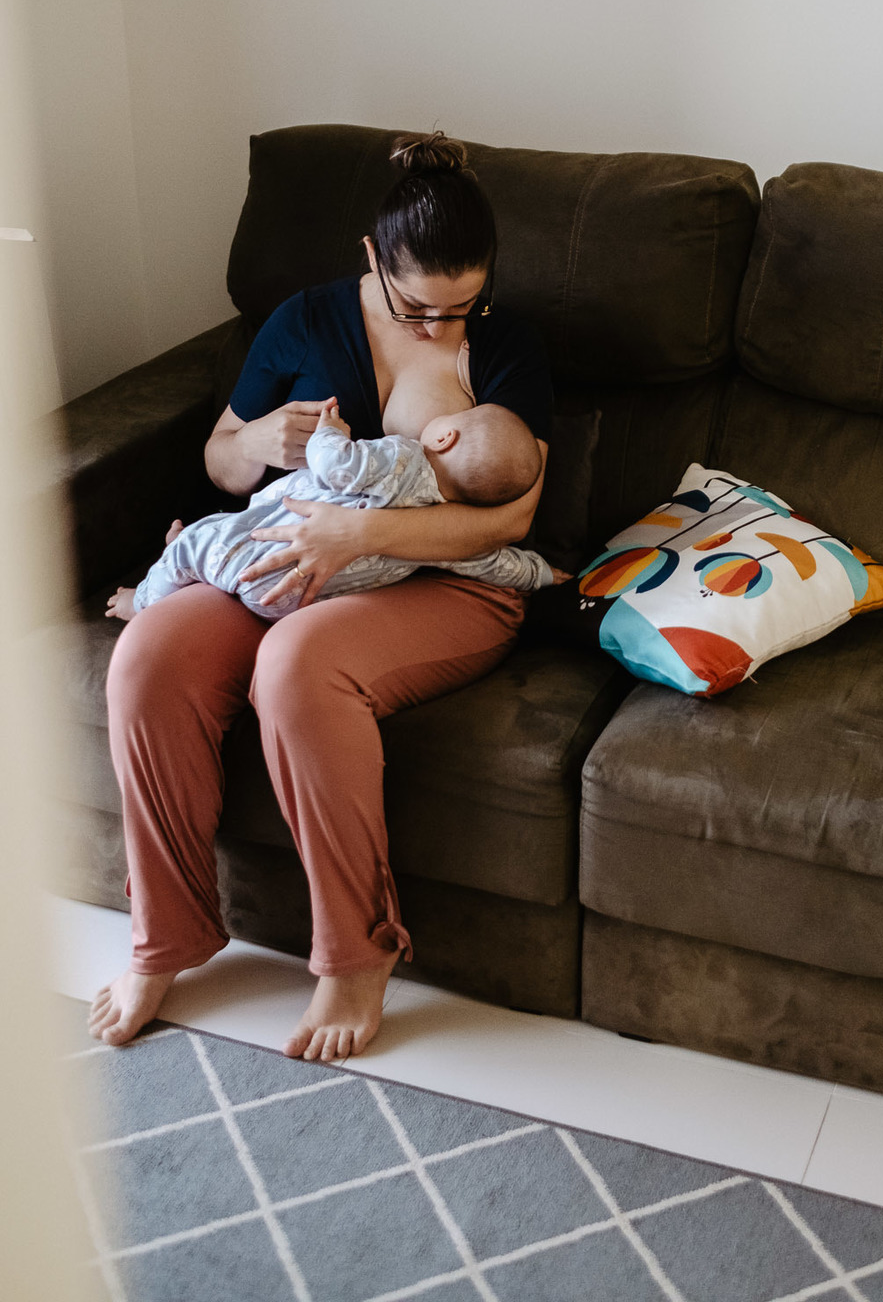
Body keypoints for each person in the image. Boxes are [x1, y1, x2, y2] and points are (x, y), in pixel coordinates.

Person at [90, 133, 553, 1063]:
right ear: (374, 260)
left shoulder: (507, 346)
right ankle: (167, 934)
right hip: (290, 560)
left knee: (296, 667)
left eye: (464, 304)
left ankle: (354, 954)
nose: (439, 327)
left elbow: (510, 518)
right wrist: (261, 437)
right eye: (417, 304)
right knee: (147, 657)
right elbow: (220, 460)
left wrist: (365, 533)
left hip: (444, 581)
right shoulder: (302, 321)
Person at [104, 399, 553, 623]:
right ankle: (189, 561)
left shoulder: (403, 457)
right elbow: (497, 563)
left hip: (257, 557)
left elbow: (336, 466)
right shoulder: (448, 538)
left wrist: (329, 432)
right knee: (226, 533)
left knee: (202, 544)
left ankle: (140, 600)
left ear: (443, 438)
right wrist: (543, 574)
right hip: (294, 605)